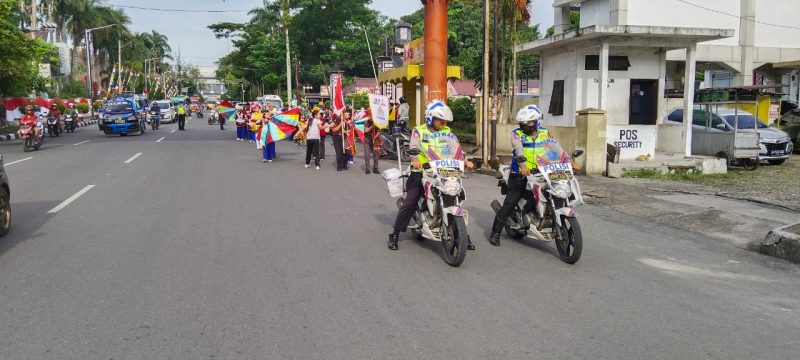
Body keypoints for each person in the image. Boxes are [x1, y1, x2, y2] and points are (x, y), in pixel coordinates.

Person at [388, 100, 474, 251]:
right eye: (440, 119)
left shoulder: (447, 131)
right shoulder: (418, 131)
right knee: (411, 201)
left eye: (444, 120)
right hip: (420, 172)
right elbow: (413, 146)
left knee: (456, 196)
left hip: (443, 171)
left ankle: (462, 235)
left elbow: (455, 149)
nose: (443, 122)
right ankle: (395, 234)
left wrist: (465, 160)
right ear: (430, 118)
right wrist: (415, 160)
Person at [488, 105, 549, 246]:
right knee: (510, 202)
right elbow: (519, 150)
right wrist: (523, 167)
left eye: (529, 123)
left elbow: (555, 147)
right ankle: (495, 233)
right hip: (519, 173)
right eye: (522, 124)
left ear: (536, 121)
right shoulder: (517, 134)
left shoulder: (546, 133)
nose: (525, 126)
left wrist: (569, 161)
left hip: (541, 172)